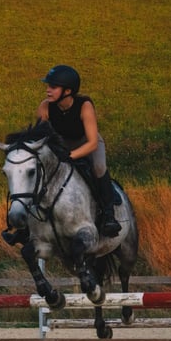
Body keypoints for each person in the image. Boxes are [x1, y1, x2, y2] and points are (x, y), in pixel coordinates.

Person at [36, 64, 122, 237]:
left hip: (88, 142)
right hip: (62, 144)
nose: (48, 90)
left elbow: (92, 143)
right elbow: (41, 137)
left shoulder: (85, 106)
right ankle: (28, 223)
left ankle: (109, 215)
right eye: (48, 86)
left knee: (98, 167)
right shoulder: (45, 107)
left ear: (67, 91)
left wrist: (68, 156)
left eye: (53, 87)